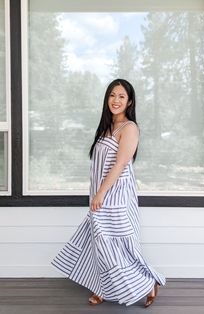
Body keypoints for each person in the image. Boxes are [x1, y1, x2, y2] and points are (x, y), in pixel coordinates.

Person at [51, 78, 166, 307]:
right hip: (100, 194)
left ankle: (149, 282)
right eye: (112, 95)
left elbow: (120, 164)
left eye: (121, 96)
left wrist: (101, 193)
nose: (116, 100)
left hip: (116, 197)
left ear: (129, 101)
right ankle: (102, 287)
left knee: (120, 245)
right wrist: (97, 192)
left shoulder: (129, 128)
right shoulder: (106, 127)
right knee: (98, 243)